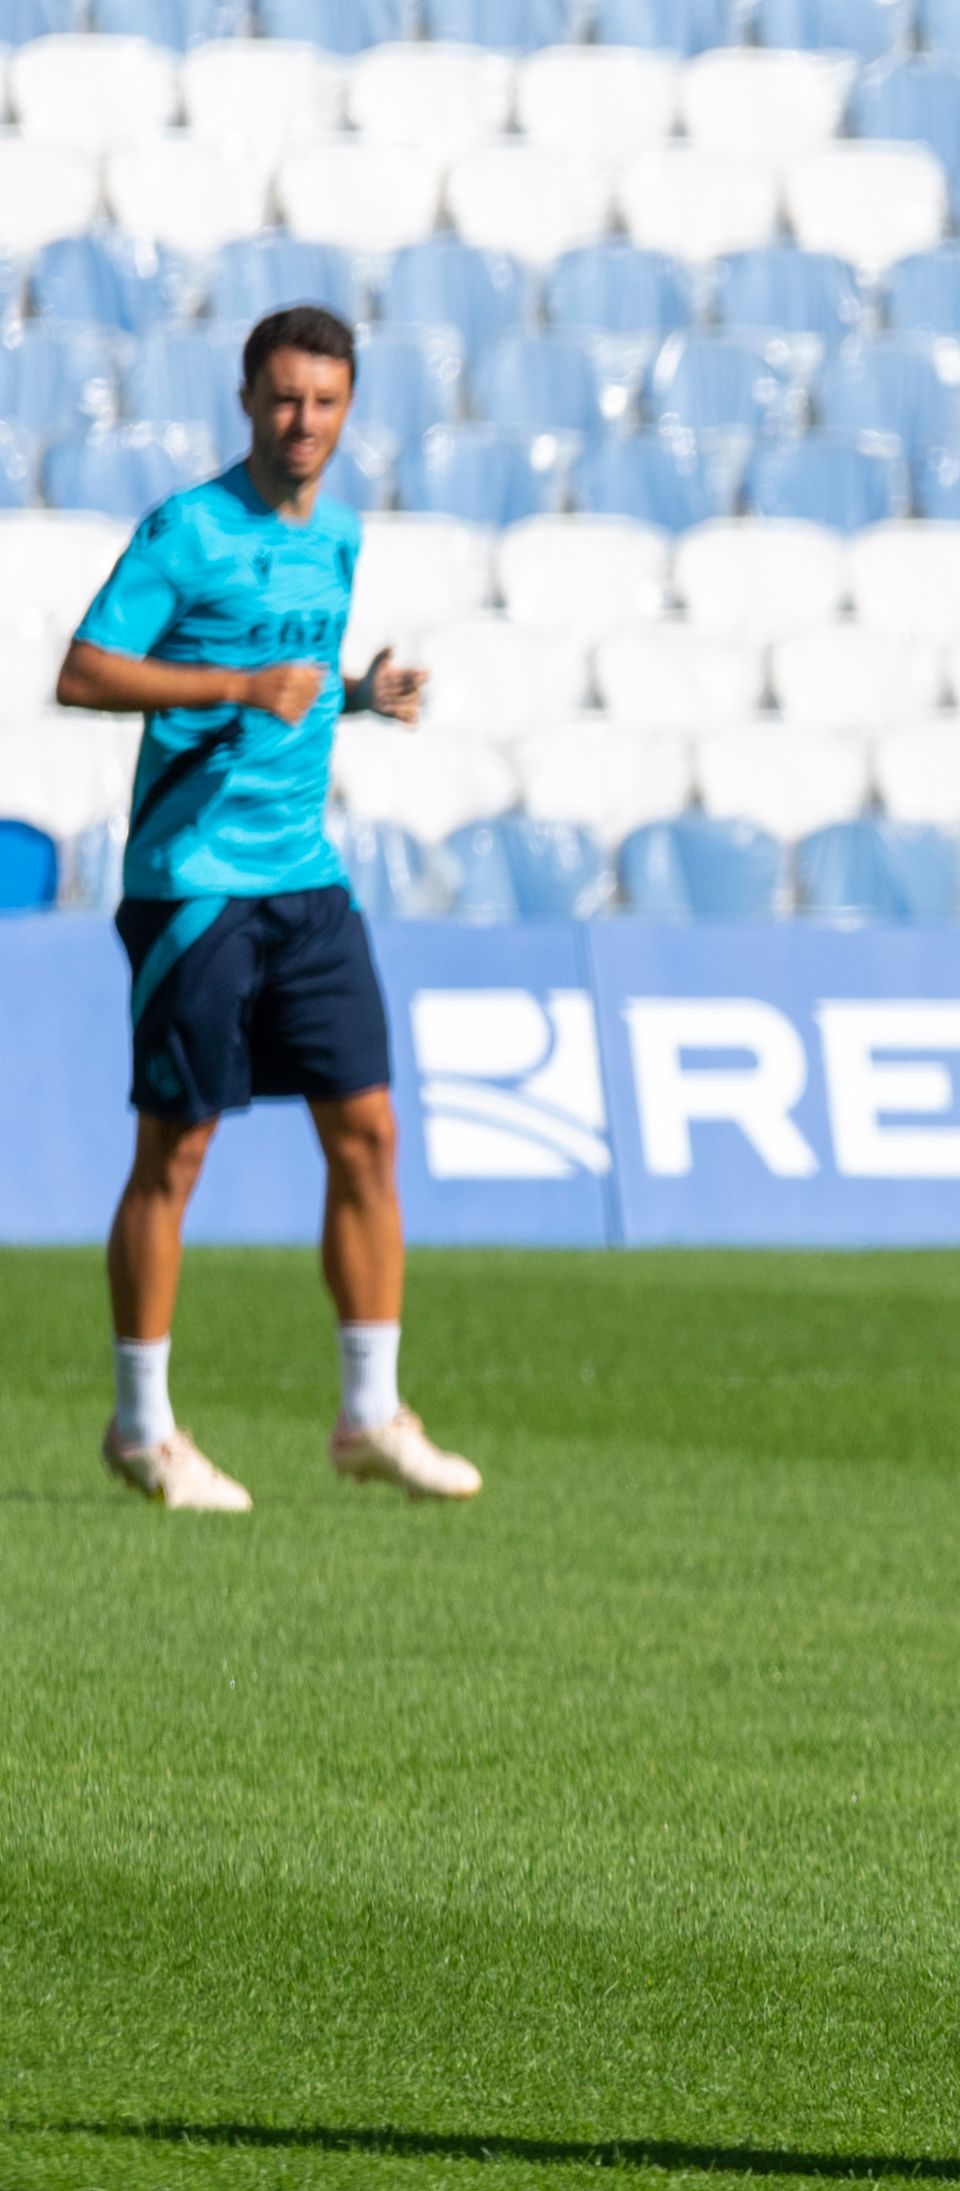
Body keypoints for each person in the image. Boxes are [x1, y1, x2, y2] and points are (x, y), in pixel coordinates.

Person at [67, 305, 480, 1514]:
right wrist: (235, 680)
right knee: (176, 1151)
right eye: (284, 399)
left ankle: (369, 1415)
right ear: (247, 401)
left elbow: (289, 699)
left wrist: (356, 694)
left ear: (350, 411)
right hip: (195, 890)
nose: (302, 422)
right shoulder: (187, 529)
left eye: (325, 403)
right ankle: (141, 1429)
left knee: (369, 1138)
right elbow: (84, 670)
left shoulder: (339, 538)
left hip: (307, 882)